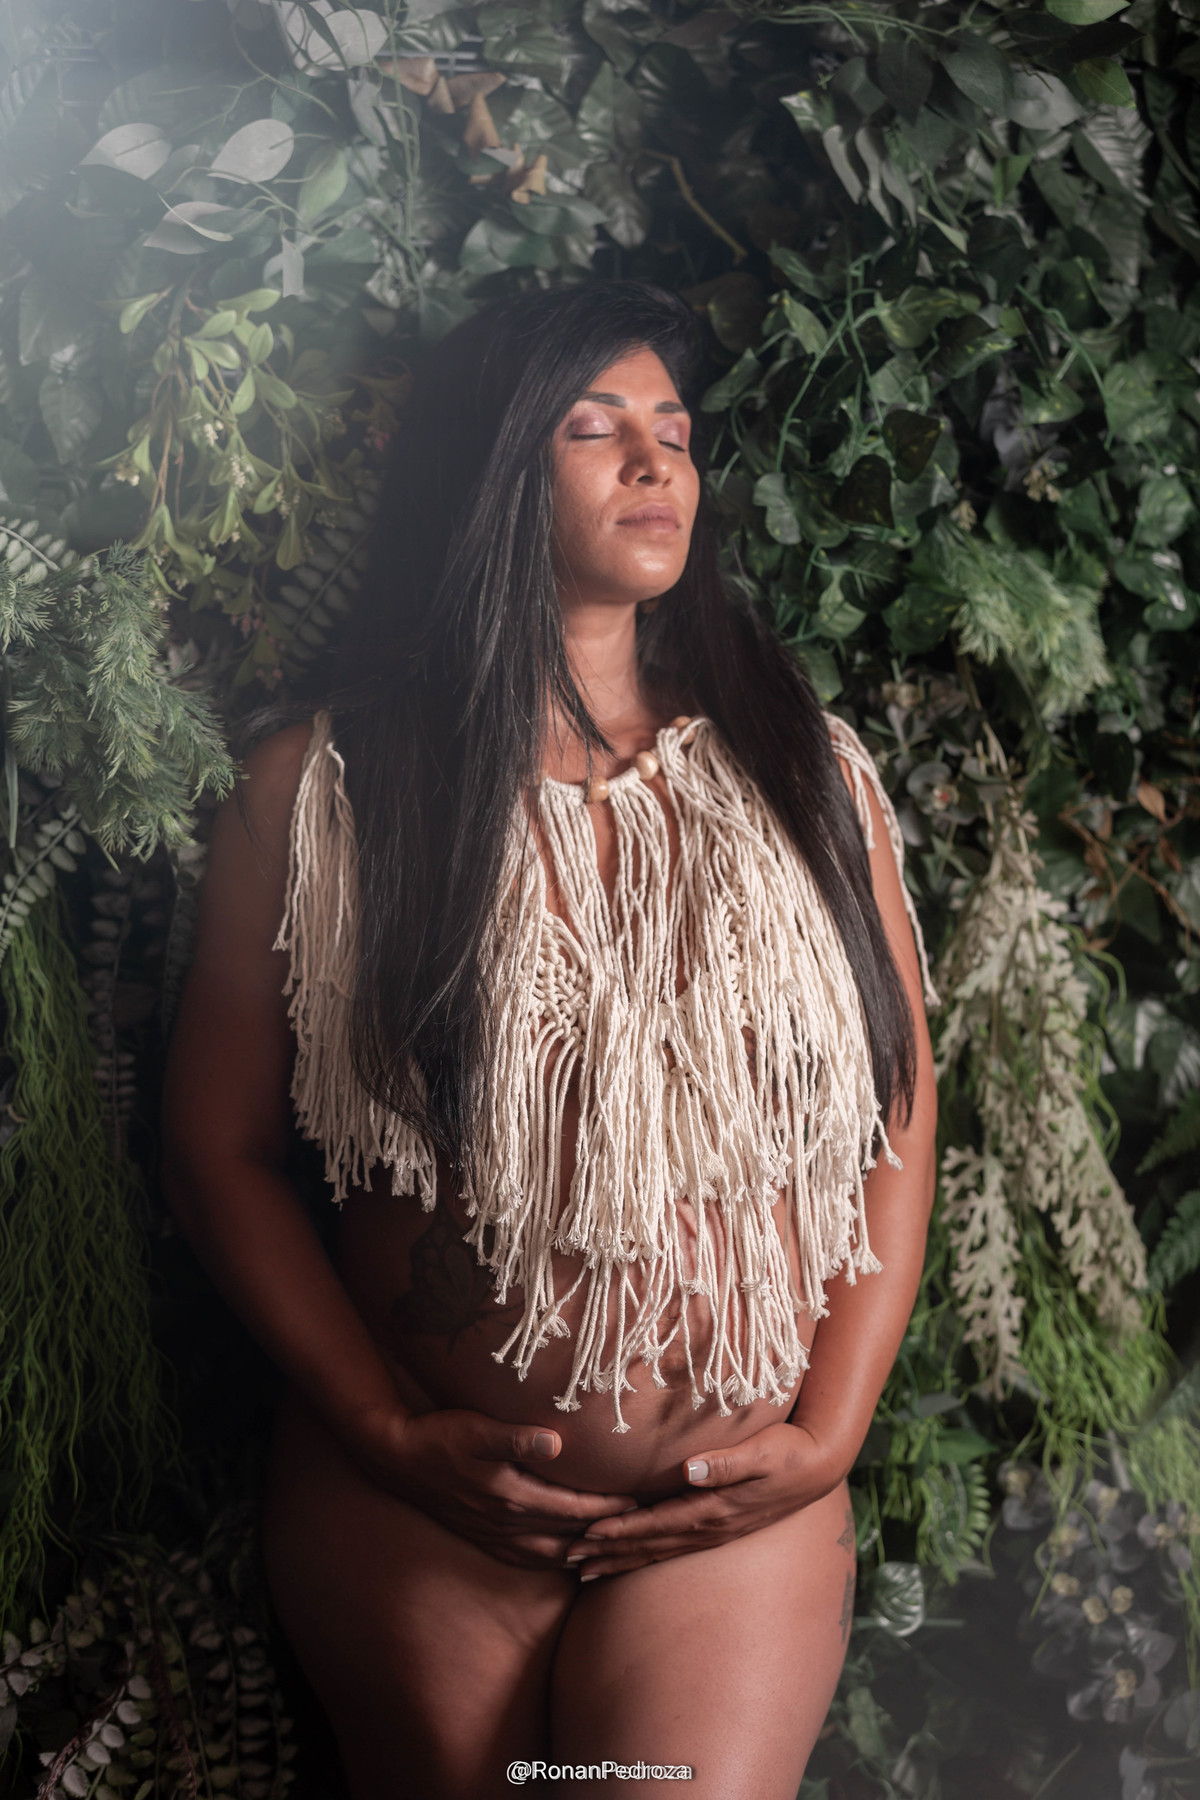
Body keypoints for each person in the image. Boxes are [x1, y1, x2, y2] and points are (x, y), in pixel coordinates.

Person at [162, 279, 937, 1800]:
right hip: (423, 1500)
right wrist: (382, 1430)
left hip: (728, 1507)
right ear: (492, 466)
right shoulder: (321, 794)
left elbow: (895, 1113)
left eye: (676, 433)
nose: (658, 463)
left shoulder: (803, 769)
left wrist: (835, 1429)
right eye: (597, 429)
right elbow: (216, 1148)